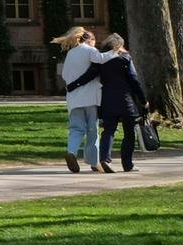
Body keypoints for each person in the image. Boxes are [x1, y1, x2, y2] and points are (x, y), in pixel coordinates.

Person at [68, 33, 150, 172]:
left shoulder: (101, 60)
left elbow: (89, 75)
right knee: (129, 133)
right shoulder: (125, 59)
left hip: (107, 100)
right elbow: (134, 81)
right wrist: (143, 101)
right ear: (120, 46)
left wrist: (73, 85)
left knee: (109, 131)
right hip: (126, 100)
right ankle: (127, 164)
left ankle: (105, 159)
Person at [53, 27, 116, 172]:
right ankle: (94, 162)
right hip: (90, 98)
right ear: (87, 39)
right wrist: (116, 51)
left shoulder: (71, 53)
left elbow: (64, 75)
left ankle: (71, 152)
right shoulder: (90, 50)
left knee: (76, 129)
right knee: (92, 130)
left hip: (73, 99)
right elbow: (100, 59)